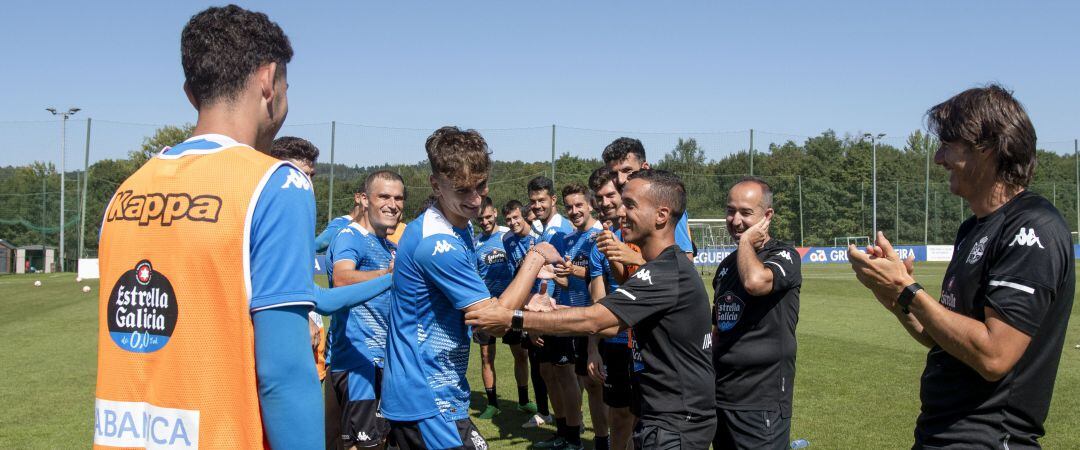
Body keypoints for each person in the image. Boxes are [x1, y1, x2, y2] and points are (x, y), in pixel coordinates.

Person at [94, 5, 322, 449]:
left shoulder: (125, 192)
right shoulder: (276, 183)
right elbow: (284, 374)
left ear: (189, 92)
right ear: (268, 80)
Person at [848, 85, 1074, 449]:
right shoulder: (973, 228)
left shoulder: (1032, 227)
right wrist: (895, 297)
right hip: (940, 433)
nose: (938, 158)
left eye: (947, 145)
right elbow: (941, 338)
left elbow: (994, 355)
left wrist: (909, 290)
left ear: (984, 147)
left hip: (988, 438)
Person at [467, 169, 716, 450]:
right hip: (662, 417)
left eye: (630, 205)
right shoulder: (662, 268)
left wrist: (511, 317)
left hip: (677, 424)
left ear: (661, 215)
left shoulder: (667, 271)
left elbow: (596, 319)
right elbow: (609, 322)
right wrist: (549, 311)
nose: (620, 211)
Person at [380, 126, 563, 450]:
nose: (476, 200)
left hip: (440, 393)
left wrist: (525, 303)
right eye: (463, 191)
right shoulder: (438, 243)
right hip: (425, 396)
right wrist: (535, 258)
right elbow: (492, 322)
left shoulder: (456, 229)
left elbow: (478, 307)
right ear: (436, 185)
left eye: (481, 186)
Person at [711, 177, 801, 450]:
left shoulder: (784, 255)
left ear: (767, 215)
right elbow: (718, 328)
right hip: (722, 394)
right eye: (730, 210)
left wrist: (747, 244)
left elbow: (755, 282)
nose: (735, 220)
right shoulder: (727, 266)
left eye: (745, 213)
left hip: (762, 398)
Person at [324, 170, 406, 449]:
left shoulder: (390, 246)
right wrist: (388, 274)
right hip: (359, 363)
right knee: (365, 445)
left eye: (398, 198)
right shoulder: (351, 236)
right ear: (365, 200)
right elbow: (342, 278)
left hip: (380, 362)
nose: (392, 204)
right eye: (383, 196)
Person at [527, 175, 582, 449]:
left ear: (553, 200)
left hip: (558, 313)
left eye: (542, 200)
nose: (537, 205)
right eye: (533, 200)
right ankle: (562, 431)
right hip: (544, 314)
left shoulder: (561, 230)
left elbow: (557, 277)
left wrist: (539, 317)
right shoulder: (543, 230)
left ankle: (573, 435)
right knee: (549, 372)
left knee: (564, 374)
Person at [553, 183, 609, 450]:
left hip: (596, 322)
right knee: (583, 383)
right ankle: (579, 438)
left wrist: (572, 270)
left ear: (590, 205)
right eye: (569, 207)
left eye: (579, 205)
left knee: (596, 386)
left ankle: (603, 442)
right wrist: (556, 277)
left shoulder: (601, 235)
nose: (574, 211)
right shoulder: (569, 239)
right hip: (573, 319)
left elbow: (603, 280)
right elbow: (569, 284)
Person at [586, 166, 637, 450]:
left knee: (646, 418)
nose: (604, 203)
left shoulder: (645, 237)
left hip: (648, 342)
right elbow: (598, 302)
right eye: (599, 198)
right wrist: (594, 347)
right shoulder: (598, 247)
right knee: (619, 417)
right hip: (616, 342)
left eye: (610, 195)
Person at [472, 197, 537, 420]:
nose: (485, 221)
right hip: (486, 307)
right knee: (486, 356)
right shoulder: (476, 242)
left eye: (488, 216)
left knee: (520, 354)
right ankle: (492, 404)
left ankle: (523, 401)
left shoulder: (506, 236)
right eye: (481, 218)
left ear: (495, 213)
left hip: (511, 306)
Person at [502, 199, 556, 428]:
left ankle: (567, 416)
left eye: (516, 217)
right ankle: (544, 412)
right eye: (508, 220)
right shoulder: (507, 241)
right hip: (525, 307)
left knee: (556, 367)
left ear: (525, 217)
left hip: (544, 306)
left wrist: (539, 317)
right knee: (536, 362)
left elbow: (549, 277)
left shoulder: (539, 238)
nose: (513, 223)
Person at [601, 137, 694, 259]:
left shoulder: (663, 203)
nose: (620, 179)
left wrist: (636, 260)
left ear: (645, 167)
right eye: (613, 174)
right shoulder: (624, 210)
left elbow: (685, 261)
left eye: (627, 170)